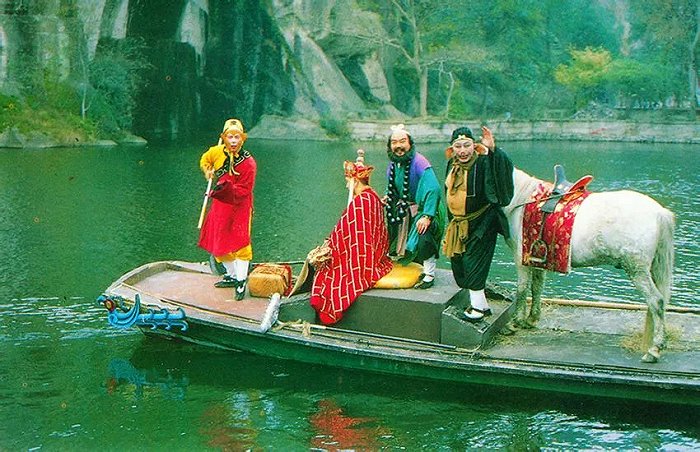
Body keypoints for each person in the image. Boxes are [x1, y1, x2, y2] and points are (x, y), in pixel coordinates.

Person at [309, 151, 393, 325]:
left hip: (364, 257)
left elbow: (353, 234)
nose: (347, 186)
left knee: (331, 272)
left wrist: (331, 245)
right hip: (373, 252)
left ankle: (326, 307)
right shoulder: (372, 197)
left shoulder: (361, 202)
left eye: (348, 182)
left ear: (356, 181)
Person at [443, 126, 514, 321]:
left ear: (474, 146)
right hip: (458, 224)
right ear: (452, 149)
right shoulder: (452, 165)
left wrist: (493, 150)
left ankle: (477, 311)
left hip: (482, 222)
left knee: (473, 263)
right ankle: (482, 305)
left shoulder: (483, 162)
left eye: (467, 145)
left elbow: (502, 170)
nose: (463, 151)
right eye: (458, 146)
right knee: (459, 263)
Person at [198, 118, 257, 300]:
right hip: (220, 204)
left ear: (243, 139)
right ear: (223, 137)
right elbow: (205, 160)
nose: (233, 141)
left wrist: (224, 190)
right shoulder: (216, 152)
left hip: (240, 205)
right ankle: (231, 274)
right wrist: (208, 170)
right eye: (230, 137)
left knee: (240, 242)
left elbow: (244, 189)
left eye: (237, 137)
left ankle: (241, 281)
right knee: (219, 240)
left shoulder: (248, 163)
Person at [384, 124, 446, 289]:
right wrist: (388, 198)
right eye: (394, 142)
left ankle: (429, 275)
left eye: (402, 141)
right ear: (390, 146)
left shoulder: (419, 162)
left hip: (427, 208)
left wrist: (427, 216)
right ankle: (410, 267)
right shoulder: (393, 165)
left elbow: (433, 189)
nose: (398, 146)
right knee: (390, 226)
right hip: (406, 209)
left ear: (410, 143)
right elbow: (392, 188)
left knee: (424, 234)